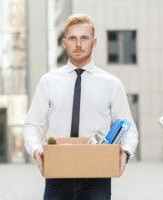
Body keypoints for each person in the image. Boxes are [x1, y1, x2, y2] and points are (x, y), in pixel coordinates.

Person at [24, 13, 138, 200]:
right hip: (57, 174)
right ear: (64, 42)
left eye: (84, 38)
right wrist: (37, 150)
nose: (78, 44)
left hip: (97, 176)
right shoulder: (48, 82)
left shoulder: (112, 84)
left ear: (93, 42)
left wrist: (125, 153)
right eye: (73, 38)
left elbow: (130, 129)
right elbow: (31, 125)